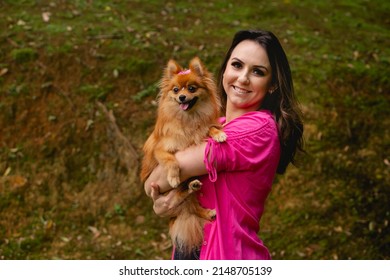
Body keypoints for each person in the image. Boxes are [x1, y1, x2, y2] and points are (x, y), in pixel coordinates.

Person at [144, 30, 304, 260]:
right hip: (192, 250)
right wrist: (163, 202)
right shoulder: (215, 126)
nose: (243, 78)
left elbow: (157, 179)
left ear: (272, 85)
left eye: (258, 72)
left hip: (227, 256)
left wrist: (160, 185)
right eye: (237, 65)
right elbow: (152, 185)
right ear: (225, 71)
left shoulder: (257, 130)